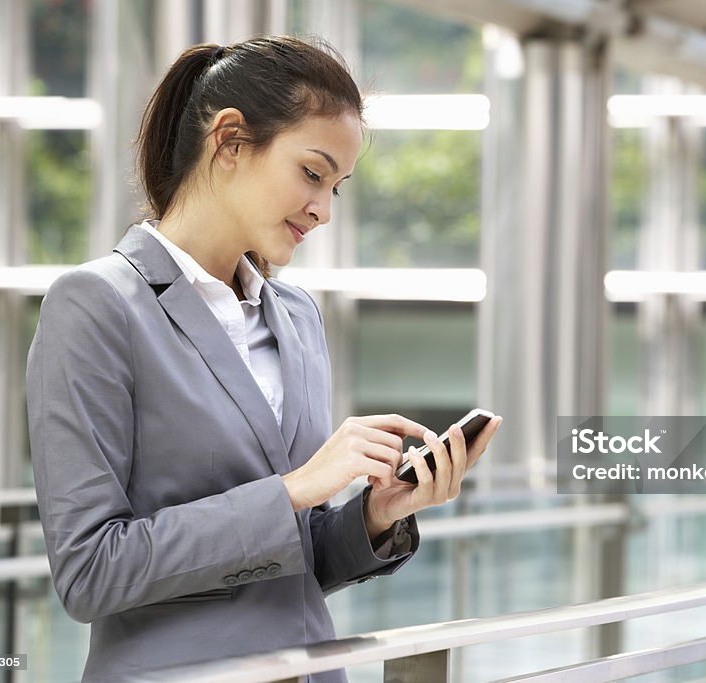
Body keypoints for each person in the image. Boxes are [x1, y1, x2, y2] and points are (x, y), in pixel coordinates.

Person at [26, 35, 501, 682]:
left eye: (338, 186)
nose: (324, 210)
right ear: (229, 140)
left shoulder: (298, 318)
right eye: (312, 173)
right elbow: (90, 571)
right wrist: (294, 490)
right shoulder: (96, 305)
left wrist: (376, 514)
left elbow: (289, 559)